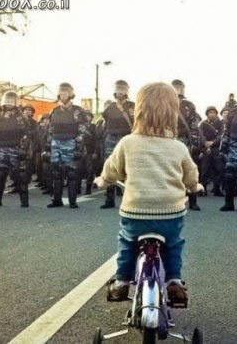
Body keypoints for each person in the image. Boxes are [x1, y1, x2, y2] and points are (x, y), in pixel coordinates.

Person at [95, 82, 203, 306]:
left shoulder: (127, 143)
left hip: (136, 213)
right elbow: (191, 176)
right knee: (174, 245)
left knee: (127, 242)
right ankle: (174, 281)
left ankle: (122, 282)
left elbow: (112, 170)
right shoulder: (178, 147)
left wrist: (102, 181)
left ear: (139, 111)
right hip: (170, 214)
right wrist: (195, 188)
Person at [43, 83, 87, 208]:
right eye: (61, 93)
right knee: (56, 173)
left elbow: (82, 131)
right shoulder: (55, 111)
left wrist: (78, 147)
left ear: (71, 94)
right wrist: (47, 147)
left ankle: (72, 201)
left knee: (71, 173)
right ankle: (57, 200)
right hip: (56, 144)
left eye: (65, 93)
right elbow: (50, 130)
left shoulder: (78, 111)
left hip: (71, 144)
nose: (63, 95)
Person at [0, 91, 31, 208]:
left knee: (21, 176)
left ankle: (24, 201)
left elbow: (26, 135)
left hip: (16, 149)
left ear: (16, 102)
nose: (9, 103)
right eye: (7, 101)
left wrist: (23, 149)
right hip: (2, 150)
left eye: (12, 101)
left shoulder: (21, 117)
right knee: (0, 176)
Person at [99, 80, 135, 209]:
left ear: (126, 91)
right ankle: (109, 200)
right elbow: (106, 124)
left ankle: (129, 200)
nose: (120, 92)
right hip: (111, 139)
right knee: (110, 168)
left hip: (128, 139)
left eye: (123, 89)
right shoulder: (110, 108)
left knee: (129, 169)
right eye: (118, 89)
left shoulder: (133, 106)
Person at [172, 79, 202, 211]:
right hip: (169, 139)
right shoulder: (163, 103)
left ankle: (193, 200)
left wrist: (195, 143)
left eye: (179, 88)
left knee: (188, 170)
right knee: (171, 171)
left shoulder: (189, 105)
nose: (177, 91)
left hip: (185, 140)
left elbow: (194, 125)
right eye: (174, 88)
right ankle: (174, 201)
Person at [198, 106, 224, 196]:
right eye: (210, 112)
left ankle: (217, 189)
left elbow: (221, 135)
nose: (212, 114)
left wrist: (212, 143)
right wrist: (206, 144)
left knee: (218, 169)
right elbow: (201, 135)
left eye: (213, 112)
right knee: (204, 169)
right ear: (207, 114)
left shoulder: (220, 124)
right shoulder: (203, 124)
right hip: (206, 149)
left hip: (216, 148)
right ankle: (203, 189)